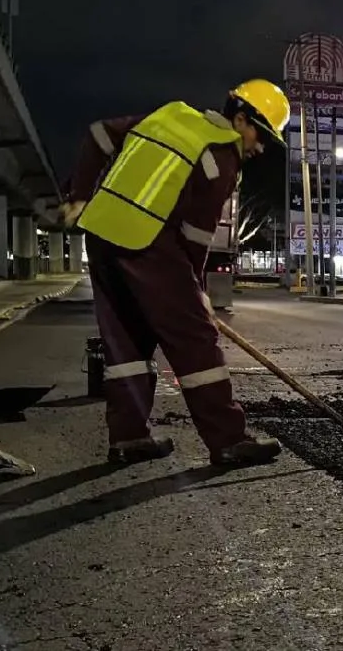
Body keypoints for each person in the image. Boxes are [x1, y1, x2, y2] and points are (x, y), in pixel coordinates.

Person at [62, 79, 289, 466]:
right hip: (149, 241)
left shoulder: (171, 114)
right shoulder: (222, 154)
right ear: (239, 119)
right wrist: (197, 295)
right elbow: (195, 237)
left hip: (100, 235)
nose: (261, 146)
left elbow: (99, 133)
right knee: (196, 340)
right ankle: (228, 439)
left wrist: (80, 197)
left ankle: (128, 437)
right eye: (261, 133)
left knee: (127, 343)